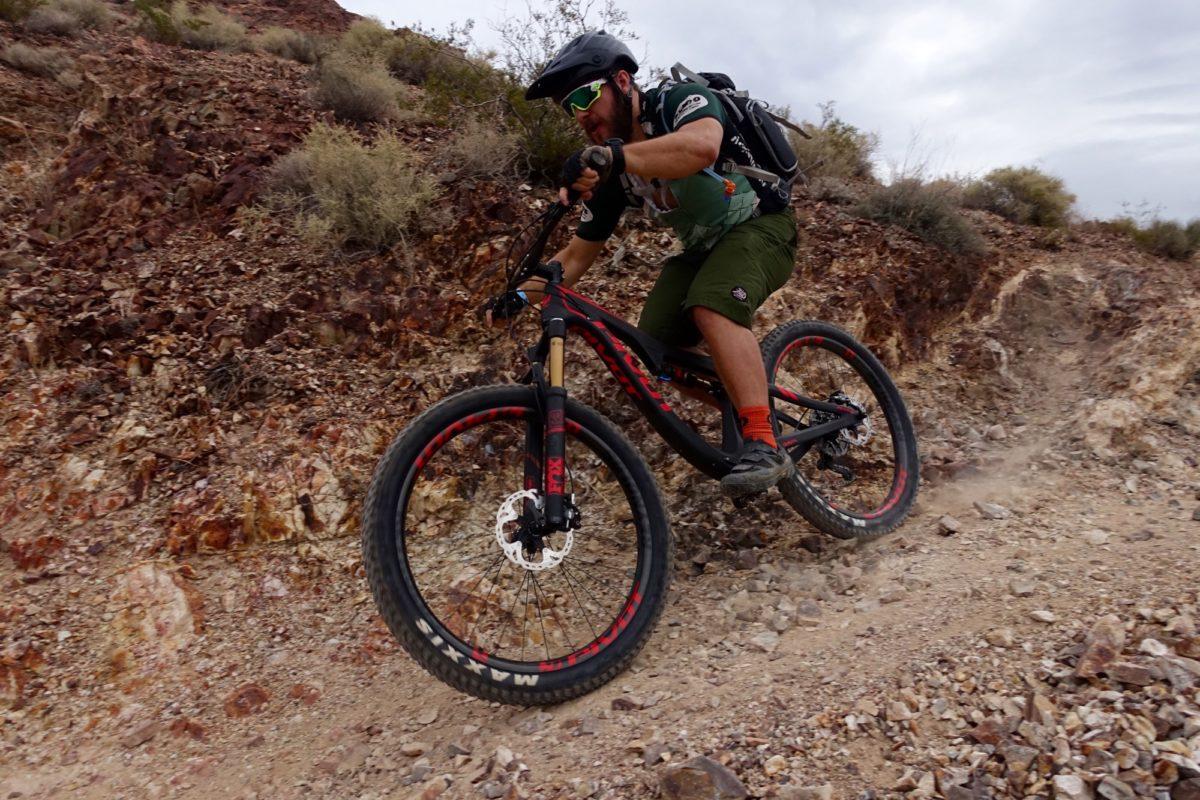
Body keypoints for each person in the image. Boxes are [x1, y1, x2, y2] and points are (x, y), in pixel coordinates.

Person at [494, 30, 799, 496]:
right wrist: (517, 296)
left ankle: (761, 438)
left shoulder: (679, 101)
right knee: (654, 345)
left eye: (584, 96)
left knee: (711, 306)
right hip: (702, 250)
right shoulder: (615, 170)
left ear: (621, 81)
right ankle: (745, 404)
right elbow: (576, 255)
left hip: (763, 226)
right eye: (568, 107)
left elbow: (701, 147)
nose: (580, 114)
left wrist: (613, 157)